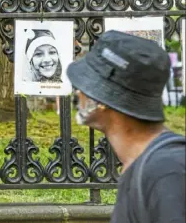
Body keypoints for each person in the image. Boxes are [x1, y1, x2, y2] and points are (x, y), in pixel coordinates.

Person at [66, 30, 185, 223]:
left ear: (101, 100)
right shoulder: (142, 165)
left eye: (85, 85)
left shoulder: (167, 171)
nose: (78, 93)